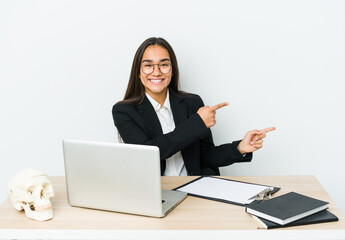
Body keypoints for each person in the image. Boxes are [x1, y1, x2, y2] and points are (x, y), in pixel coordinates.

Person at [112, 37, 275, 176]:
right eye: (148, 65)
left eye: (164, 64)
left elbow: (205, 156)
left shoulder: (192, 103)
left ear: (172, 70)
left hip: (195, 188)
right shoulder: (124, 111)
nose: (156, 72)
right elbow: (150, 153)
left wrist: (239, 148)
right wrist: (197, 123)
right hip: (155, 192)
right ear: (138, 72)